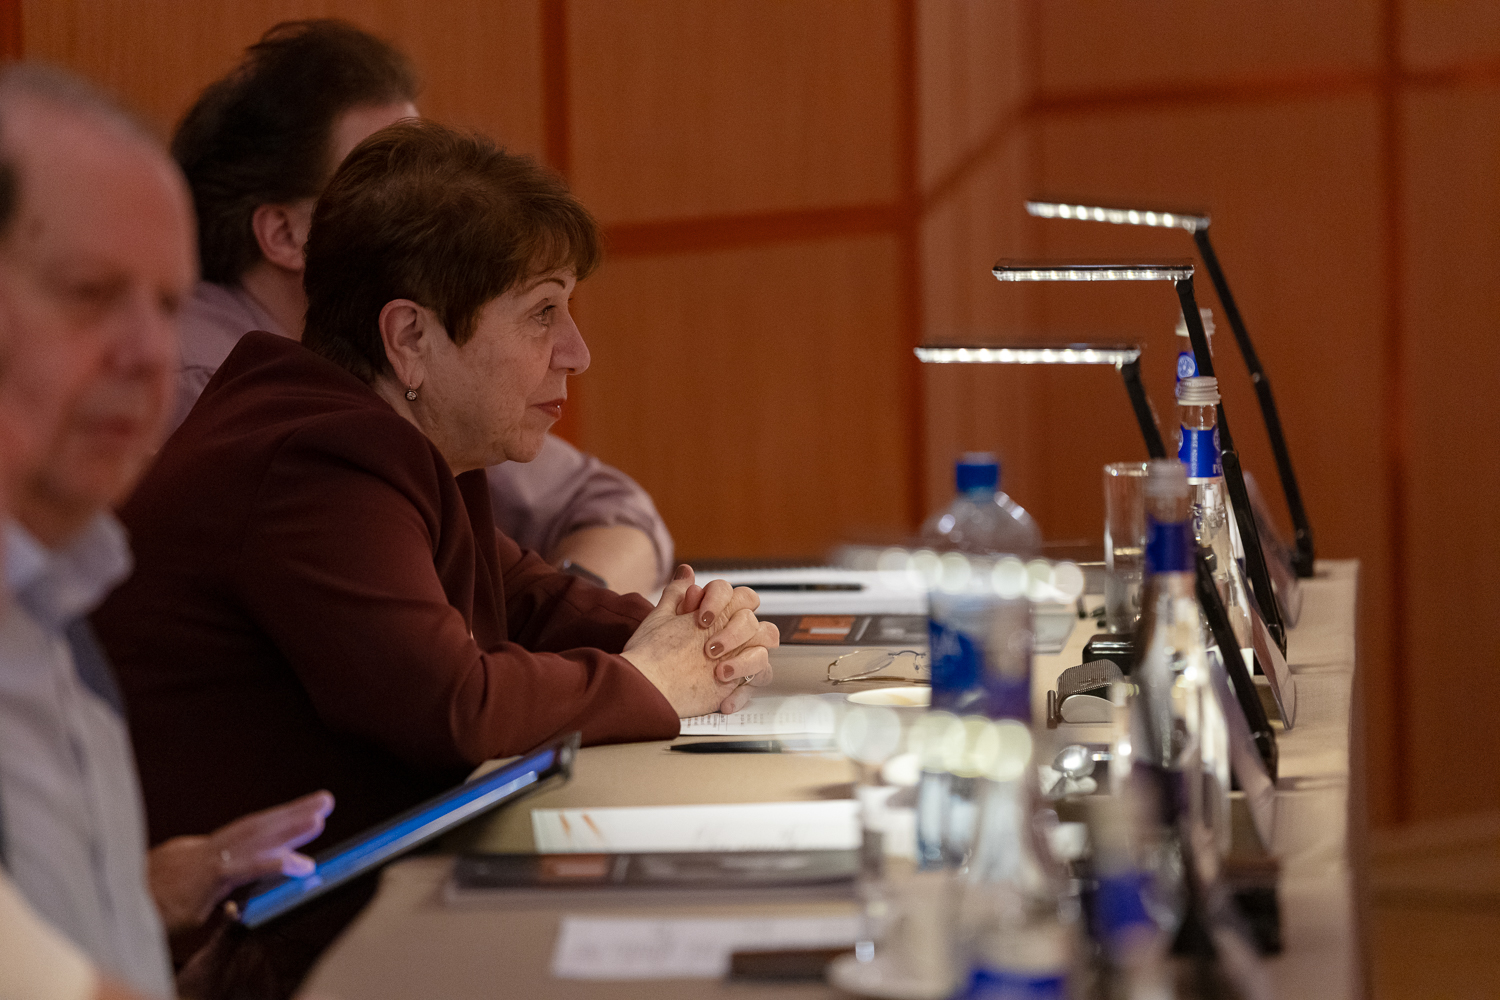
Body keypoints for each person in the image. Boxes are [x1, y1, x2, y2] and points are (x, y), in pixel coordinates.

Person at [93, 120, 776, 995]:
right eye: (542, 313)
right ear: (410, 338)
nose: (578, 352)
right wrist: (653, 679)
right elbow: (454, 705)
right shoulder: (312, 461)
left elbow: (524, 596)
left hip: (333, 926)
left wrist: (696, 632)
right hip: (244, 964)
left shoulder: (373, 438)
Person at [0, 65, 339, 998]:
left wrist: (148, 905)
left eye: (164, 305)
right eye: (89, 293)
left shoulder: (58, 613)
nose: (150, 354)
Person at [170, 18, 671, 595]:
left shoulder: (408, 366)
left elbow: (609, 508)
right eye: (383, 177)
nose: (439, 198)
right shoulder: (203, 387)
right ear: (284, 233)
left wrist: (570, 606)